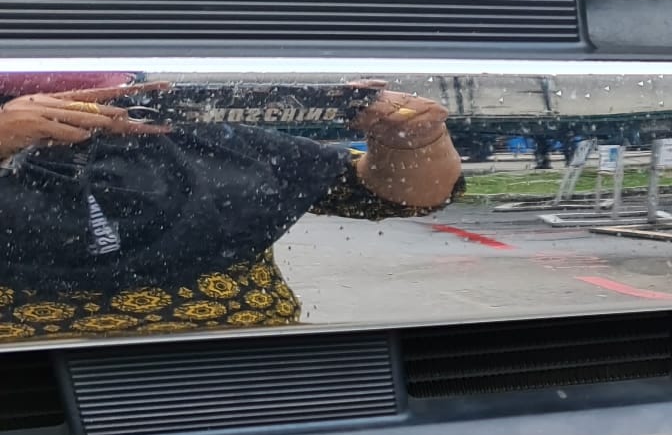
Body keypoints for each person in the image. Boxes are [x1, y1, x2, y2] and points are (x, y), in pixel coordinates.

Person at [0, 74, 462, 340]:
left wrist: (415, 140)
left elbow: (392, 196)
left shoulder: (190, 129)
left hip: (245, 378)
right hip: (34, 395)